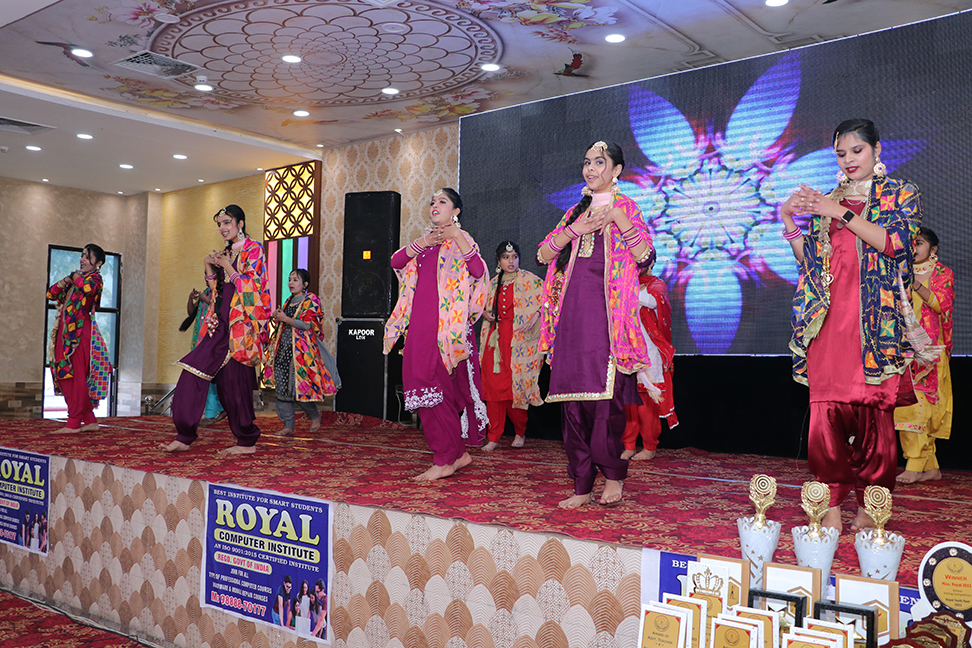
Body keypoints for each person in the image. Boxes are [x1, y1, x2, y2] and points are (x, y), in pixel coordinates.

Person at [782, 118, 922, 533]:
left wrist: (839, 212)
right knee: (824, 417)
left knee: (873, 418)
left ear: (876, 149)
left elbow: (896, 244)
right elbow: (812, 264)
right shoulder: (829, 200)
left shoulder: (901, 193)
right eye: (841, 154)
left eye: (856, 151)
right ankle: (830, 503)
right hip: (828, 323)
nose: (848, 160)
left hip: (875, 325)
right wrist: (788, 219)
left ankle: (871, 501)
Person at [537, 141, 653, 509]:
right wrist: (575, 229)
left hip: (607, 320)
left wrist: (617, 217)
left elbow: (645, 257)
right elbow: (543, 254)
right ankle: (582, 483)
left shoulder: (627, 208)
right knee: (571, 405)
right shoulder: (575, 212)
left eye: (599, 162)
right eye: (587, 162)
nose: (590, 169)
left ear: (616, 170)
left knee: (606, 403)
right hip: (570, 319)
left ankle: (613, 476)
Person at [384, 188, 489, 481]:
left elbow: (478, 272)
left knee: (434, 388)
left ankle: (445, 458)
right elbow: (395, 262)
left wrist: (456, 236)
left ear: (456, 211)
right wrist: (423, 242)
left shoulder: (463, 240)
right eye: (432, 202)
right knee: (421, 387)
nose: (435, 205)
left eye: (442, 202)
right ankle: (457, 454)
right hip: (419, 325)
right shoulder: (425, 243)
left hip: (444, 328)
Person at [161, 205, 272, 455]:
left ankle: (246, 441)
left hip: (240, 327)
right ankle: (184, 435)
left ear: (240, 224)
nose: (222, 228)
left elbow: (254, 290)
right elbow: (216, 292)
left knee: (234, 386)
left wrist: (228, 267)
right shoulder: (226, 252)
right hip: (219, 324)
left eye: (227, 222)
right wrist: (209, 266)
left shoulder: (254, 249)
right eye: (219, 224)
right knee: (192, 371)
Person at [894, 227, 954, 484]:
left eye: (918, 243)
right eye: (911, 243)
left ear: (933, 249)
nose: (913, 248)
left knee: (919, 407)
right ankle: (931, 467)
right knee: (908, 405)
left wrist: (914, 283)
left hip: (930, 352)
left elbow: (940, 304)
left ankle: (914, 464)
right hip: (903, 351)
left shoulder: (942, 273)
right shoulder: (896, 273)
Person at [480, 241, 544, 451]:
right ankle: (494, 436)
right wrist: (484, 313)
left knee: (515, 388)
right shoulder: (491, 284)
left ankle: (520, 431)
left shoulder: (529, 280)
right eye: (506, 257)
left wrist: (535, 316)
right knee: (493, 390)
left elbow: (550, 299)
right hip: (495, 342)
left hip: (519, 343)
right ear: (498, 261)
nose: (511, 261)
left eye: (514, 257)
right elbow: (477, 306)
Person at [47, 243, 111, 434]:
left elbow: (88, 290)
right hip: (66, 332)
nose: (82, 259)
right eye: (82, 256)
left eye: (87, 257)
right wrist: (68, 279)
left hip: (79, 333)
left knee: (73, 375)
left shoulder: (95, 279)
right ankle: (89, 420)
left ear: (98, 263)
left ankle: (74, 421)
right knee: (66, 373)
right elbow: (51, 293)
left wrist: (75, 278)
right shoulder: (75, 280)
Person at [264, 269, 335, 436]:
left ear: (305, 284)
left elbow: (307, 325)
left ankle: (314, 415)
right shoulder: (288, 301)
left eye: (295, 280)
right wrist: (277, 317)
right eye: (290, 279)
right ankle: (288, 425)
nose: (291, 283)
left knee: (299, 389)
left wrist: (285, 319)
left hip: (301, 354)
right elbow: (284, 324)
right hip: (283, 351)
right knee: (282, 390)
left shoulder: (311, 300)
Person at [622, 256, 678, 460]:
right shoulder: (623, 284)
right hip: (625, 351)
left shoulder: (656, 285)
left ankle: (649, 446)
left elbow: (653, 302)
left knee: (646, 404)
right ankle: (628, 445)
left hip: (649, 352)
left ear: (651, 263)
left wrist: (623, 287)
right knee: (627, 404)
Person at [179, 284, 225, 425]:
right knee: (205, 378)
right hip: (199, 342)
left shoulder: (221, 294)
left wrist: (207, 300)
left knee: (209, 378)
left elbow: (220, 313)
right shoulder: (205, 292)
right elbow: (191, 313)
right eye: (205, 274)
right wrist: (191, 299)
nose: (206, 277)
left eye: (208, 274)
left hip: (212, 343)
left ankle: (211, 414)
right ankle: (219, 409)